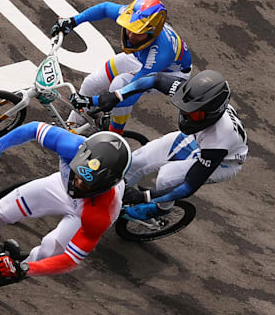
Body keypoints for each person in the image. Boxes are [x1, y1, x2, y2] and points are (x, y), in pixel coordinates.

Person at [0, 126, 132, 283]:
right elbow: (33, 128)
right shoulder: (71, 145)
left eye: (88, 184)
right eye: (78, 174)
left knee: (48, 250)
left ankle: (15, 271)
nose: (79, 184)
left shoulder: (101, 214)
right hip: (60, 186)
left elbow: (69, 260)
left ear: (106, 185)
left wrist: (22, 269)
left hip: (84, 212)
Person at [86, 70, 248, 220]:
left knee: (167, 177)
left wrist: (144, 197)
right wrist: (116, 96)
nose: (187, 117)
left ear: (212, 113)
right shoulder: (192, 96)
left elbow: (188, 187)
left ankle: (161, 209)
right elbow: (155, 79)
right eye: (185, 110)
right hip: (197, 138)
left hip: (223, 161)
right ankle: (112, 196)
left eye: (194, 114)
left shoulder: (220, 137)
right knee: (135, 161)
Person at [49, 0, 191, 135]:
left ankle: (114, 135)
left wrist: (92, 101)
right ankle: (72, 125)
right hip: (141, 58)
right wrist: (73, 21)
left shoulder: (161, 53)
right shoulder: (134, 15)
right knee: (91, 83)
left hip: (167, 73)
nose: (130, 36)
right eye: (130, 28)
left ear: (151, 32)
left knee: (119, 86)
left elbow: (132, 92)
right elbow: (104, 8)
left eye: (137, 32)